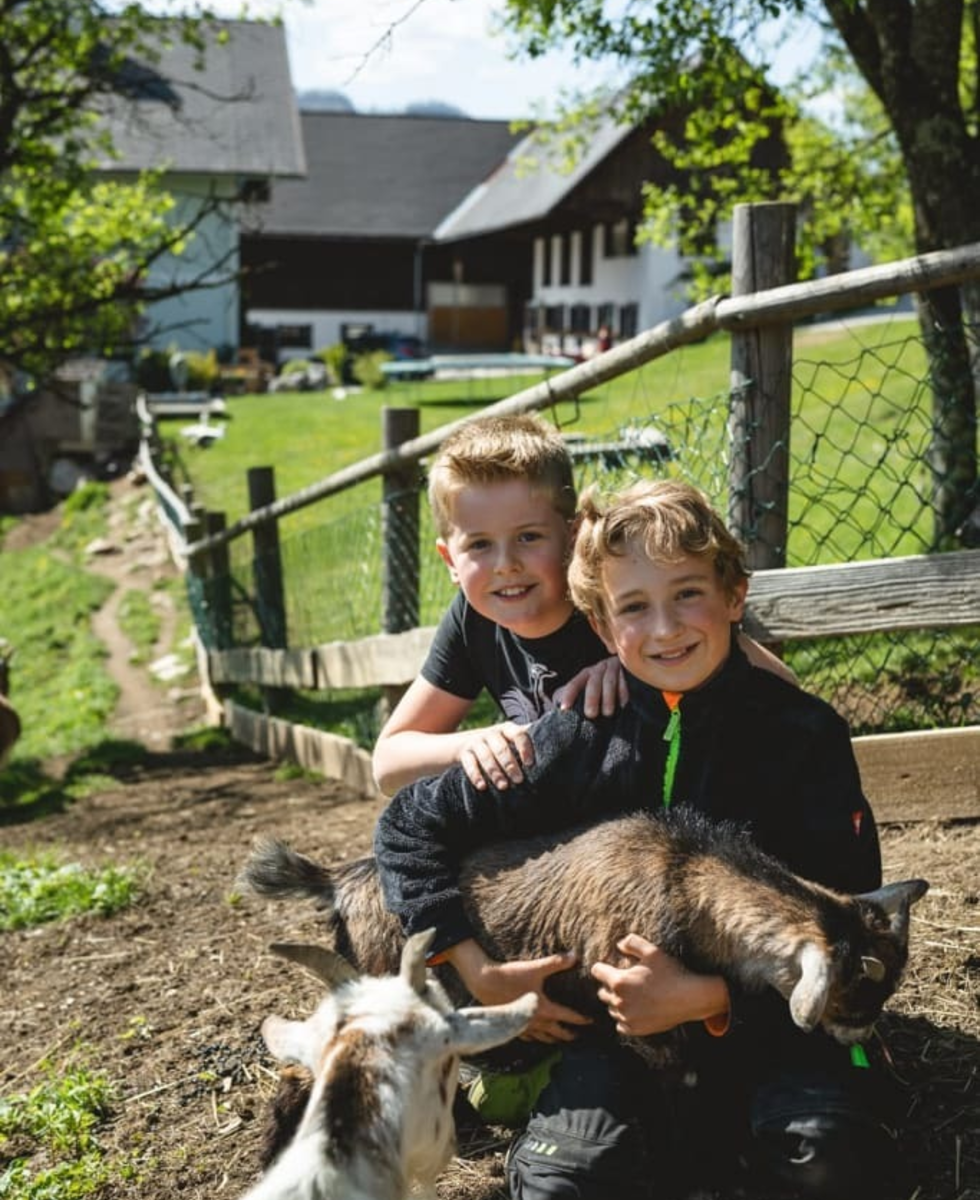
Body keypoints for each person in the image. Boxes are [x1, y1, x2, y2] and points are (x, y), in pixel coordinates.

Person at [373, 479, 899, 1200]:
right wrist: (474, 969)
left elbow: (852, 922)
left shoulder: (804, 738)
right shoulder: (577, 736)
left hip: (776, 1028)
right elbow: (407, 827)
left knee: (826, 1161)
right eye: (633, 608)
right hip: (615, 1035)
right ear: (600, 624)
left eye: (688, 594)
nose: (663, 630)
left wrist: (709, 1000)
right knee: (568, 1180)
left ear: (735, 597)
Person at [372, 414, 795, 796]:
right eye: (480, 545)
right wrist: (472, 744)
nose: (506, 565)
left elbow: (782, 686)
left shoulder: (621, 597)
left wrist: (638, 660)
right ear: (450, 560)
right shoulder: (472, 620)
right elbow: (388, 763)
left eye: (529, 537)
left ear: (573, 536)